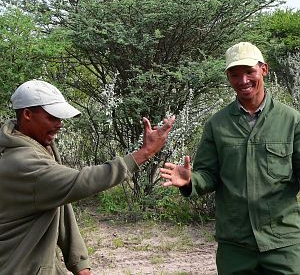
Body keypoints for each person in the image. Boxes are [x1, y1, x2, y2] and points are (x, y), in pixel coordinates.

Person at [0, 79, 175, 275]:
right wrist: (145, 153)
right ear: (27, 114)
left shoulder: (34, 146)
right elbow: (81, 182)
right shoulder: (23, 162)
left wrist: (79, 263)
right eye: (52, 117)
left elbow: (59, 204)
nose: (59, 124)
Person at [160, 42, 300, 274]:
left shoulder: (292, 121)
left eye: (249, 72)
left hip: (283, 242)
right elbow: (209, 175)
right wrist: (190, 180)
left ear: (263, 70)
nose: (243, 80)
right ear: (228, 77)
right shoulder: (217, 124)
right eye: (234, 74)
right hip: (235, 244)